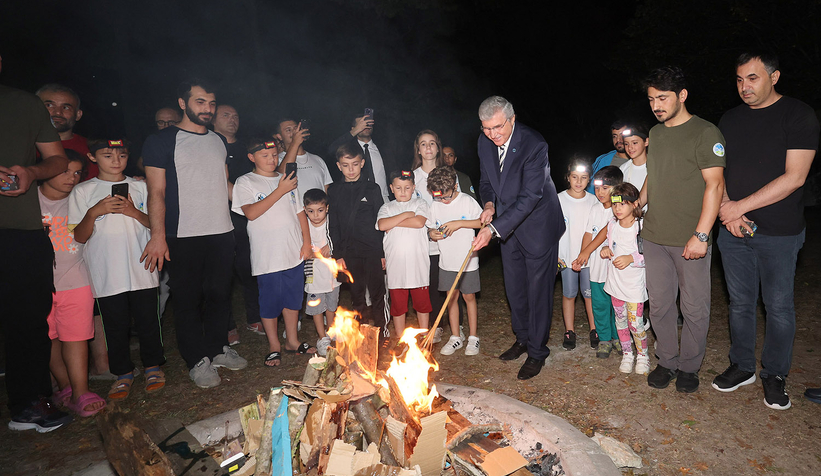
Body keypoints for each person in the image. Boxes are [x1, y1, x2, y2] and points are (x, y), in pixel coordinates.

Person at [713, 52, 819, 410]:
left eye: (753, 78)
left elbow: (796, 176)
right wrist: (729, 213)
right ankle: (742, 366)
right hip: (733, 230)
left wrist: (737, 208)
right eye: (740, 79)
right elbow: (718, 172)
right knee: (740, 303)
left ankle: (775, 374)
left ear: (774, 76)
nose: (745, 87)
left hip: (780, 232)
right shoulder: (729, 119)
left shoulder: (798, 114)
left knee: (778, 307)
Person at [141, 79, 246, 389]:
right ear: (183, 104)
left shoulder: (217, 141)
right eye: (200, 102)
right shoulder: (161, 141)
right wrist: (158, 236)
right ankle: (196, 359)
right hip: (182, 234)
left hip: (221, 231)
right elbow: (156, 192)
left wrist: (256, 204)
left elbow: (224, 184)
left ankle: (217, 349)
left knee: (219, 294)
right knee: (188, 300)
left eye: (211, 104)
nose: (208, 109)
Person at [639, 66, 725, 393]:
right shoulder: (656, 134)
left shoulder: (706, 133)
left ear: (682, 95)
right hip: (655, 236)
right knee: (659, 305)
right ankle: (667, 360)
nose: (656, 105)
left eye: (662, 98)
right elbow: (653, 174)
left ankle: (689, 366)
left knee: (693, 306)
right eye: (651, 99)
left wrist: (702, 235)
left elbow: (715, 186)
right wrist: (638, 204)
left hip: (691, 239)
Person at [2, 61, 73, 432]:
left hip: (20, 228)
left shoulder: (24, 104)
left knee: (29, 321)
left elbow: (57, 158)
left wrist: (31, 172)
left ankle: (30, 402)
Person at [472, 96, 565, 380]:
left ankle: (537, 352)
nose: (492, 134)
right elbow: (486, 182)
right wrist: (488, 204)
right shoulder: (484, 142)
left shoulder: (534, 144)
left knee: (538, 293)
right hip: (506, 228)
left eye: (498, 127)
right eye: (486, 128)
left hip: (537, 227)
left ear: (512, 119)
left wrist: (493, 229)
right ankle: (522, 338)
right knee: (515, 289)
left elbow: (529, 197)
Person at [69, 140, 166, 400]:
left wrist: (134, 211)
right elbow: (79, 236)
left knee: (148, 320)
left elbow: (154, 224)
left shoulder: (142, 186)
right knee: (115, 325)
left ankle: (153, 366)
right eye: (107, 154)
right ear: (92, 156)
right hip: (106, 271)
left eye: (122, 155)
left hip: (142, 266)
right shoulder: (83, 191)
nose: (115, 160)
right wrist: (94, 212)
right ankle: (123, 373)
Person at [231, 138, 315, 367]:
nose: (272, 160)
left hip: (293, 250)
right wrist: (280, 190)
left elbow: (299, 212)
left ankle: (293, 341)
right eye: (265, 156)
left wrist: (306, 242)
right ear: (251, 157)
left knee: (293, 299)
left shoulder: (284, 179)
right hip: (267, 255)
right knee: (269, 302)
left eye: (274, 155)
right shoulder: (245, 182)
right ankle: (274, 345)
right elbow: (251, 213)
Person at [39, 151, 105, 417]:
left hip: (76, 280)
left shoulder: (81, 199)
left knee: (75, 336)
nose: (72, 178)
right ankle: (65, 386)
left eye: (77, 172)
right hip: (37, 284)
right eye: (65, 171)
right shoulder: (27, 202)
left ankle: (81, 391)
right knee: (49, 336)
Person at [328, 142, 389, 340]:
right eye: (346, 165)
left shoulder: (372, 188)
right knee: (357, 295)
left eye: (355, 164)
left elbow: (380, 222)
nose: (351, 169)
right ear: (338, 166)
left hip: (372, 250)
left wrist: (382, 253)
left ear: (362, 163)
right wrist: (337, 255)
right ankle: (363, 334)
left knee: (378, 293)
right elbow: (333, 224)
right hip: (349, 252)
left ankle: (382, 333)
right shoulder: (335, 191)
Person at [591, 183, 649, 374]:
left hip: (633, 287)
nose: (618, 208)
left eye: (623, 204)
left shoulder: (641, 227)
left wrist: (631, 258)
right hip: (615, 285)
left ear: (634, 204)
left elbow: (649, 255)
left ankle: (642, 356)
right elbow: (608, 246)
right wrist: (605, 249)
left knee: (635, 323)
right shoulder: (612, 225)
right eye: (615, 204)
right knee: (621, 321)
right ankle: (627, 354)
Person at [427, 167, 482, 356]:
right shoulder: (435, 205)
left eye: (447, 196)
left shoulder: (467, 201)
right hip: (447, 261)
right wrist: (432, 234)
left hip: (468, 261)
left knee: (469, 297)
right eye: (439, 197)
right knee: (451, 298)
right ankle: (456, 337)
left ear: (455, 185)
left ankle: (473, 337)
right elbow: (431, 229)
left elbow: (482, 223)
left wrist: (459, 223)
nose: (443, 200)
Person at [213, 104, 257, 345]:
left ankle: (255, 316)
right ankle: (228, 325)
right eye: (226, 115)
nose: (232, 119)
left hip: (245, 218)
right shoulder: (210, 144)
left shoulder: (245, 148)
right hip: (219, 218)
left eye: (236, 115)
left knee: (250, 267)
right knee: (223, 274)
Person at [572, 166, 624, 359]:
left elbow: (605, 232)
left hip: (615, 267)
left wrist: (587, 251)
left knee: (616, 305)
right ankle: (604, 339)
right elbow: (589, 232)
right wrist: (581, 256)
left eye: (605, 188)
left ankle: (619, 337)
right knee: (600, 305)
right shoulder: (594, 208)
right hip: (597, 268)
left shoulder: (620, 208)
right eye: (597, 188)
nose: (600, 193)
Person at [377, 170, 432, 336]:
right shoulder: (386, 207)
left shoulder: (420, 203)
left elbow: (418, 222)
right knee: (398, 305)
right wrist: (405, 215)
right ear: (391, 188)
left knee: (422, 303)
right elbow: (381, 225)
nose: (403, 192)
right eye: (398, 188)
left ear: (413, 187)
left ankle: (423, 336)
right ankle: (401, 338)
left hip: (418, 263)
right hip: (396, 264)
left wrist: (394, 222)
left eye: (407, 187)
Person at [411, 130, 450, 342]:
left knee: (444, 283)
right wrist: (426, 231)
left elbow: (456, 203)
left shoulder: (448, 174)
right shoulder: (413, 177)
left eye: (432, 143)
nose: (428, 148)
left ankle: (448, 325)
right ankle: (430, 326)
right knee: (425, 284)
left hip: (445, 238)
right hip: (422, 239)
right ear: (418, 149)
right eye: (423, 144)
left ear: (438, 148)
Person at [557, 158, 598, 351]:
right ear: (568, 177)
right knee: (569, 294)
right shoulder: (558, 199)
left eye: (583, 178)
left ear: (589, 179)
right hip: (566, 257)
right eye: (575, 177)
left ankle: (594, 329)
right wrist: (555, 254)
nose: (579, 182)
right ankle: (569, 331)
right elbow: (551, 230)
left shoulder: (594, 201)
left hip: (589, 258)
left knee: (589, 294)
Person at [328, 111, 392, 203]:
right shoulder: (351, 150)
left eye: (367, 123)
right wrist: (355, 131)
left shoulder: (384, 148)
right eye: (361, 124)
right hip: (359, 199)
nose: (365, 126)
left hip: (385, 197)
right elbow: (331, 150)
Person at [36, 83, 97, 180]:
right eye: (49, 105)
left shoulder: (93, 149)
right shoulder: (21, 146)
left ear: (78, 114)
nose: (58, 112)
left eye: (66, 107)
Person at [302, 188, 336, 357]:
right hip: (314, 274)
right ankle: (322, 337)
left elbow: (338, 239)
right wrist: (317, 253)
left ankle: (330, 332)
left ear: (327, 208)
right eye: (311, 211)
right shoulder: (305, 226)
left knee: (331, 304)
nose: (316, 215)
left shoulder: (332, 223)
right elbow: (305, 250)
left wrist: (332, 247)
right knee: (317, 307)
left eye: (320, 210)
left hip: (332, 273)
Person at [275, 118, 334, 203]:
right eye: (288, 130)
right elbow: (280, 177)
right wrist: (295, 143)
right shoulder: (277, 160)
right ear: (279, 136)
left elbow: (327, 190)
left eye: (296, 128)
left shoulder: (317, 159)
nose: (295, 132)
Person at [587, 120, 630, 192]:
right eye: (614, 136)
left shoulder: (641, 158)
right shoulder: (603, 160)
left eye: (622, 135)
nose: (618, 140)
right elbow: (591, 187)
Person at [619, 125, 649, 192]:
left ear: (646, 142)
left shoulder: (656, 166)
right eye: (626, 144)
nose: (630, 148)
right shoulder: (623, 169)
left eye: (634, 143)